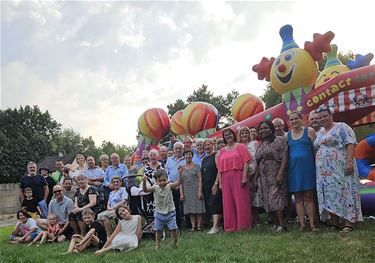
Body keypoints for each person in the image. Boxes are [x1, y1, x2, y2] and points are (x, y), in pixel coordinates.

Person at [314, 106, 363, 232]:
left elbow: (350, 142)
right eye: (319, 117)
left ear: (331, 115)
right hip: (325, 172)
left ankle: (349, 222)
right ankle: (334, 221)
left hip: (341, 167)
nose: (322, 119)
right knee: (330, 194)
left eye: (325, 115)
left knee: (346, 191)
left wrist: (349, 163)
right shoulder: (319, 132)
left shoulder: (342, 127)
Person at [287, 111, 318, 231]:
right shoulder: (287, 135)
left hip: (308, 168)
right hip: (293, 170)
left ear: (301, 119)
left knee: (309, 197)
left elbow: (316, 149)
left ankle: (312, 224)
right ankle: (302, 224)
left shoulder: (309, 131)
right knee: (298, 198)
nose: (294, 121)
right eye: (291, 120)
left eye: (296, 119)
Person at [216, 128, 252, 232]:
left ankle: (243, 226)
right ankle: (231, 227)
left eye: (230, 134)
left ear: (234, 134)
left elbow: (246, 162)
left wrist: (244, 176)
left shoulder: (240, 146)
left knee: (241, 201)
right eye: (226, 135)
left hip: (239, 175)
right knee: (228, 203)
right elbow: (220, 169)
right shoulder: (222, 151)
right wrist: (220, 183)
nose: (228, 136)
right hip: (225, 178)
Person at [254, 121, 288, 232]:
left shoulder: (279, 140)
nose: (263, 130)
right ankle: (275, 222)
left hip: (275, 172)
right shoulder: (261, 144)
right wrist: (255, 179)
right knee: (267, 199)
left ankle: (282, 224)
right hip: (263, 176)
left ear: (271, 129)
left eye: (265, 128)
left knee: (275, 198)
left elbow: (284, 156)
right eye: (261, 129)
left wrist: (280, 173)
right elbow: (258, 162)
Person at [142, 169, 182, 250]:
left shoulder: (169, 186)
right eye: (160, 181)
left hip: (170, 212)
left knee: (173, 229)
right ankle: (157, 244)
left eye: (164, 180)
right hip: (159, 213)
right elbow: (145, 190)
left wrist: (180, 174)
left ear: (167, 179)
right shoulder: (155, 188)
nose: (162, 182)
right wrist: (144, 181)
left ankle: (175, 243)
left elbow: (178, 182)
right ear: (156, 181)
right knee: (158, 230)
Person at [238, 126, 262, 226]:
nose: (244, 135)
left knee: (255, 196)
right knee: (245, 197)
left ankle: (256, 219)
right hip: (242, 174)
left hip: (255, 173)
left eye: (246, 133)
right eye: (242, 133)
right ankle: (248, 220)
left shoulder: (254, 143)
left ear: (249, 134)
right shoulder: (238, 146)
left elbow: (258, 159)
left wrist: (255, 175)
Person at [180, 149, 205, 231]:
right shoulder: (181, 168)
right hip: (186, 190)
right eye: (186, 154)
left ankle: (199, 226)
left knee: (198, 207)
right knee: (190, 209)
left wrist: (200, 191)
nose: (188, 156)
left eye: (189, 154)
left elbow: (200, 178)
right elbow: (180, 181)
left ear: (192, 155)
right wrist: (181, 193)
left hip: (196, 188)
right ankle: (193, 226)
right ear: (184, 156)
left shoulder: (197, 166)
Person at [201, 139, 222, 234]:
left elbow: (219, 170)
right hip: (206, 185)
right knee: (210, 204)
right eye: (205, 146)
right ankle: (216, 224)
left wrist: (216, 183)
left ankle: (215, 226)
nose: (207, 147)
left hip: (214, 183)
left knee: (215, 204)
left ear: (212, 145)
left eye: (208, 145)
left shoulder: (216, 155)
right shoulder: (204, 158)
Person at [165, 141, 186, 228]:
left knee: (186, 204)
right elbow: (166, 172)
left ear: (183, 149)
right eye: (176, 148)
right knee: (175, 206)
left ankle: (188, 223)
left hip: (185, 184)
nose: (178, 150)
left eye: (179, 148)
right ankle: (177, 224)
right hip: (172, 186)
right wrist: (171, 183)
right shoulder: (169, 160)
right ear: (173, 150)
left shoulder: (186, 159)